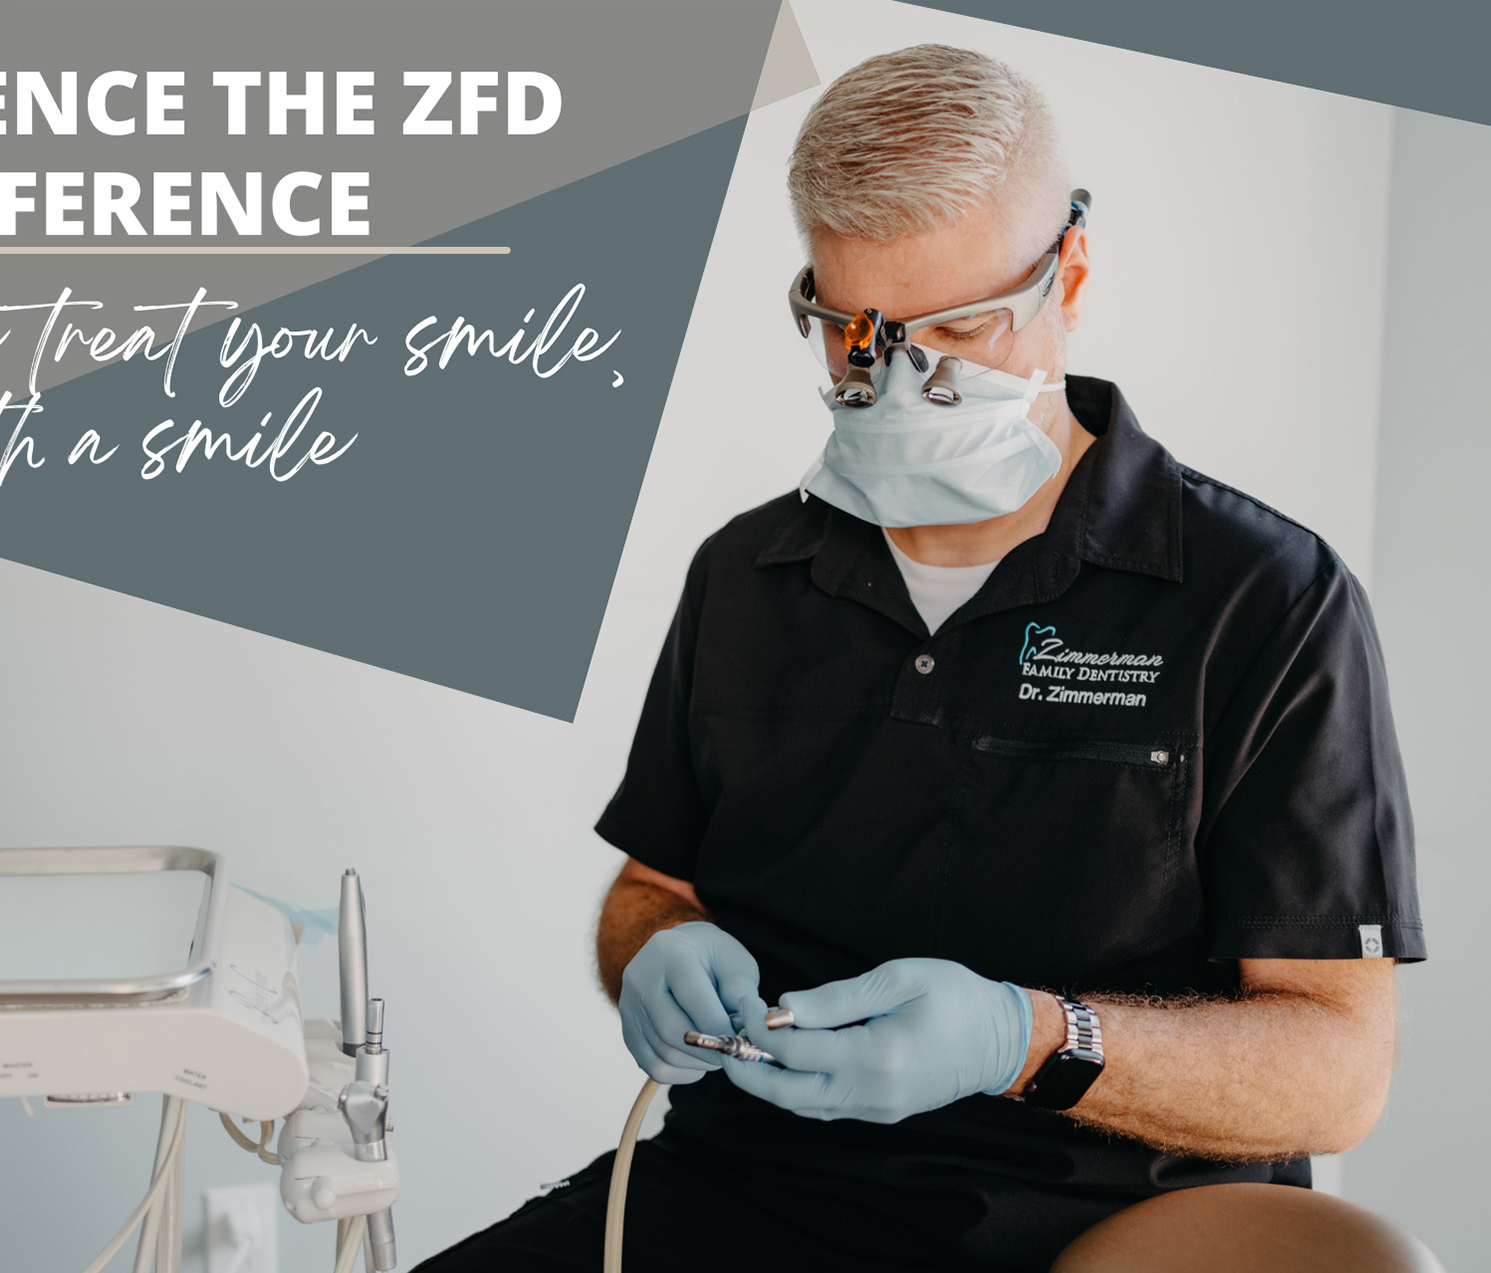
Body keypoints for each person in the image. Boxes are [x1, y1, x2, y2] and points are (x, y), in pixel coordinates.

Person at [415, 45, 1424, 1273]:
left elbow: (1336, 1069)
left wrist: (1027, 1038)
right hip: (747, 1189)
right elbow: (654, 891)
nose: (895, 382)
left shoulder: (1260, 600)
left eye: (954, 328)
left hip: (1095, 1226)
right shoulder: (749, 577)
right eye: (854, 330)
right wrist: (651, 955)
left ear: (1072, 274)